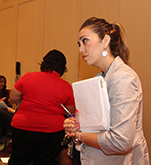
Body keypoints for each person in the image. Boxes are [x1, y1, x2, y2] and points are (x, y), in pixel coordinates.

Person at [63, 17, 150, 165]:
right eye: (79, 43)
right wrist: (76, 127)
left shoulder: (123, 78)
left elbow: (120, 141)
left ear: (105, 41)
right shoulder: (100, 79)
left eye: (85, 41)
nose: (80, 49)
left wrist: (80, 135)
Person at [8, 49, 76, 165]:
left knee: (18, 161)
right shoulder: (66, 87)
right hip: (51, 133)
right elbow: (71, 111)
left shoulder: (27, 77)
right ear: (62, 68)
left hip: (23, 128)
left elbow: (13, 98)